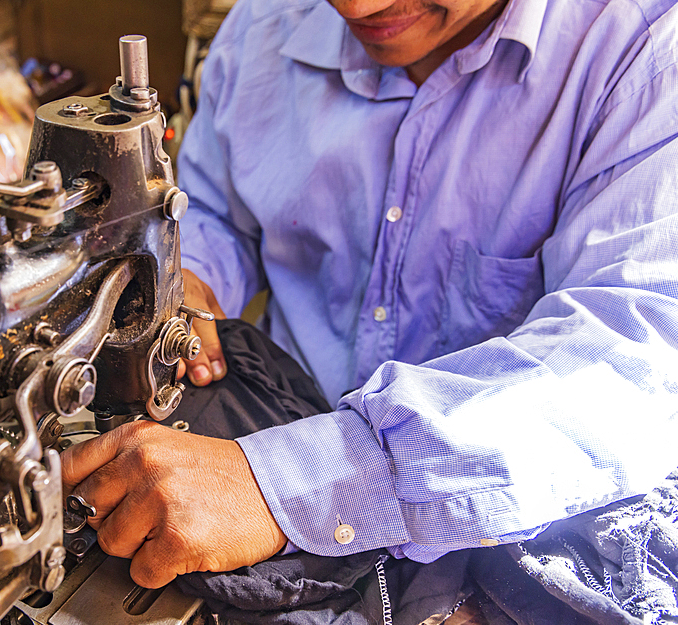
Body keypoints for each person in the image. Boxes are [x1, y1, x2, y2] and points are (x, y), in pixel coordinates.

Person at [63, 0, 678, 594]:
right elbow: (216, 209)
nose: (357, 7)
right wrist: (187, 276)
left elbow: (631, 361)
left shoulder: (644, 54)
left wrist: (292, 481)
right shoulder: (267, 23)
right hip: (274, 428)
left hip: (507, 529)